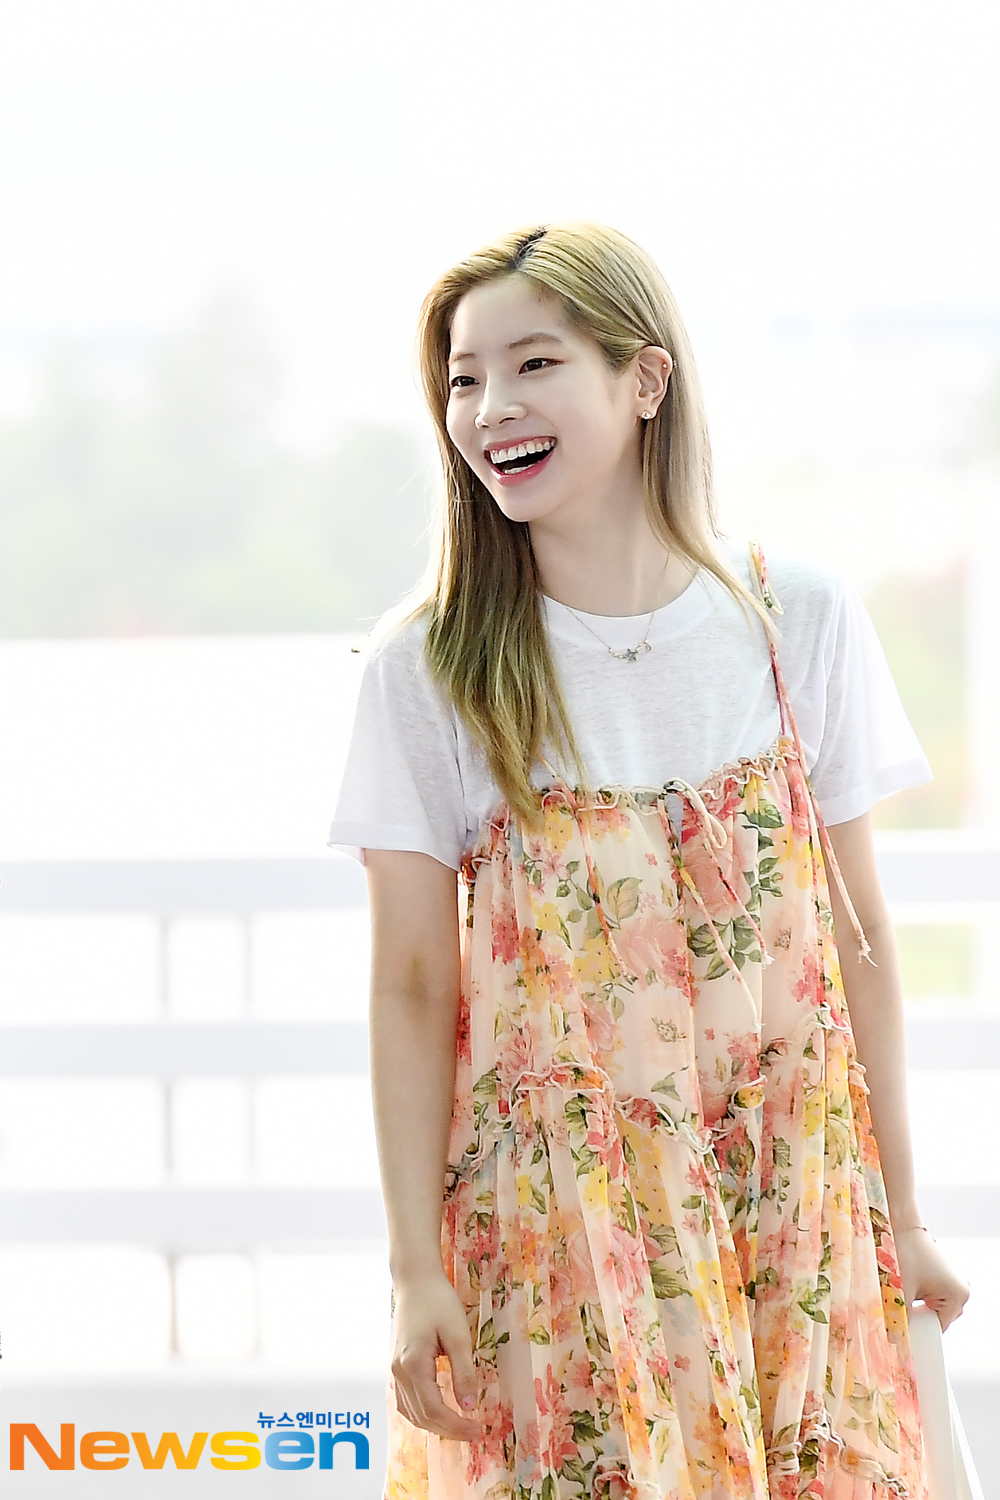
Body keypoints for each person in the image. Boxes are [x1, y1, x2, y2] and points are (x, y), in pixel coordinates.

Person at [327, 221, 970, 1499]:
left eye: (533, 364)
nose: (490, 408)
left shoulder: (793, 620)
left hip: (792, 1202)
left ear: (644, 380)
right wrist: (414, 1271)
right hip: (563, 1227)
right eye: (463, 379)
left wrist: (901, 1214)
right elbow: (410, 982)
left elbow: (858, 939)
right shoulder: (433, 667)